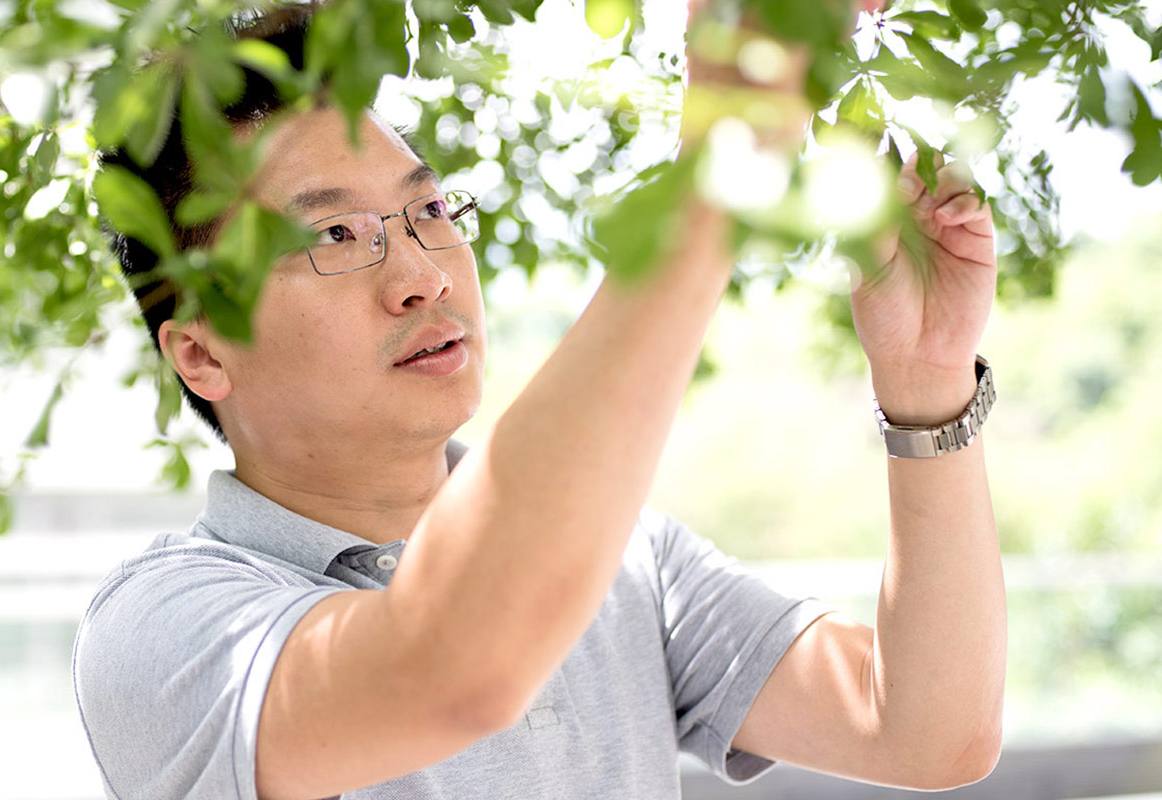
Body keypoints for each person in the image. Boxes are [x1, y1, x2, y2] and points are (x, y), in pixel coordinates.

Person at [72, 3, 1007, 799]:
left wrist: (926, 388)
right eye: (335, 235)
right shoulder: (164, 628)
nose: (419, 278)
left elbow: (926, 728)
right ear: (201, 351)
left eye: (429, 212)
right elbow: (450, 667)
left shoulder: (622, 558)